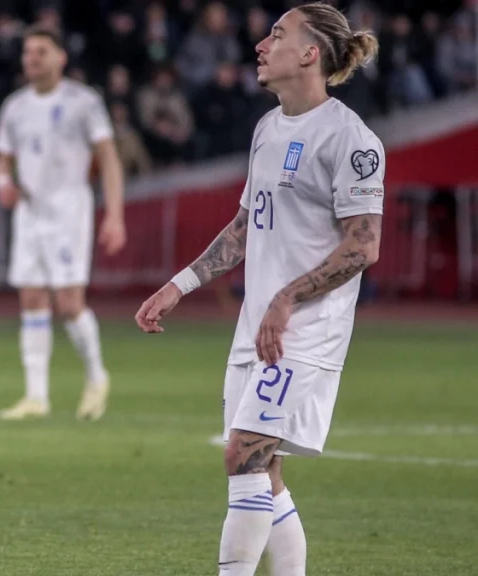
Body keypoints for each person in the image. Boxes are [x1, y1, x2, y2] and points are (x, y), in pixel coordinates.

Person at [136, 4, 383, 575]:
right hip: (258, 328)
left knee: (242, 454)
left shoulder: (351, 139)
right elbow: (247, 224)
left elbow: (363, 246)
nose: (261, 45)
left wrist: (287, 298)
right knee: (265, 473)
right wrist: (179, 285)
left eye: (277, 34)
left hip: (305, 331)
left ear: (309, 53)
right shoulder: (268, 128)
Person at [0, 24, 127, 422]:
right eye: (27, 52)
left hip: (69, 210)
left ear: (61, 57)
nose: (32, 59)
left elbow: (109, 160)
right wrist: (3, 184)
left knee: (69, 303)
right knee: (32, 299)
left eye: (41, 51)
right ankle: (36, 397)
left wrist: (115, 215)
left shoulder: (84, 102)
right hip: (29, 212)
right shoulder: (14, 106)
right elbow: (2, 162)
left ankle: (97, 376)